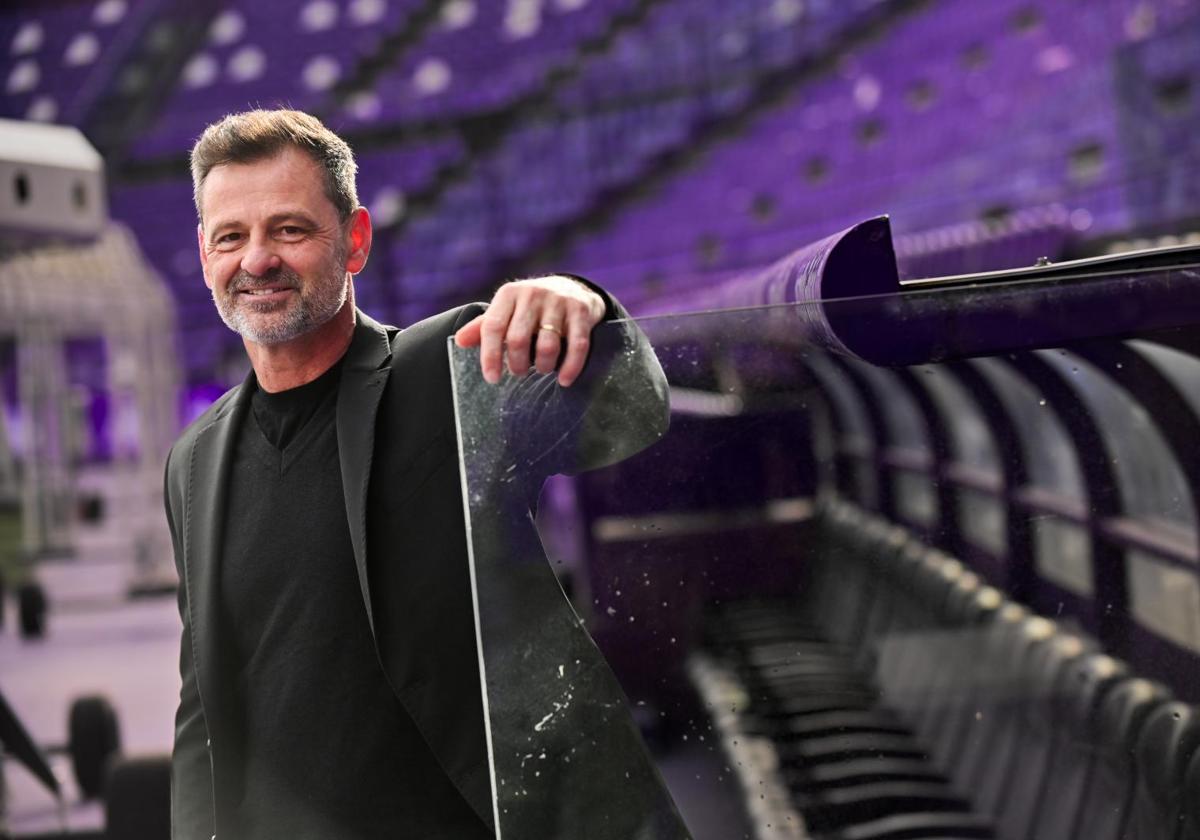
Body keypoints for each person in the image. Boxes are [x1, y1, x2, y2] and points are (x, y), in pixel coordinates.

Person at [162, 109, 681, 839]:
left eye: (289, 229)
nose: (256, 260)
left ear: (355, 241)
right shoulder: (194, 460)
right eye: (230, 237)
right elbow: (202, 706)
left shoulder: (450, 368)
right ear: (204, 253)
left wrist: (584, 304)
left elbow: (634, 412)